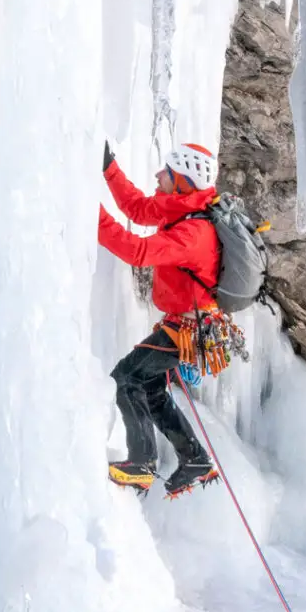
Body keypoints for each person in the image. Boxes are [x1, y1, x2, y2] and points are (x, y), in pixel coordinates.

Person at [98, 140, 222, 498]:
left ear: (182, 180)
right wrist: (109, 169)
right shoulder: (181, 209)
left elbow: (136, 251)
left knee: (127, 377)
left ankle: (142, 462)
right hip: (188, 327)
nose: (157, 175)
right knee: (150, 387)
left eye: (165, 173)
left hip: (189, 329)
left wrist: (89, 213)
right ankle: (194, 457)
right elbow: (137, 209)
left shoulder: (193, 233)